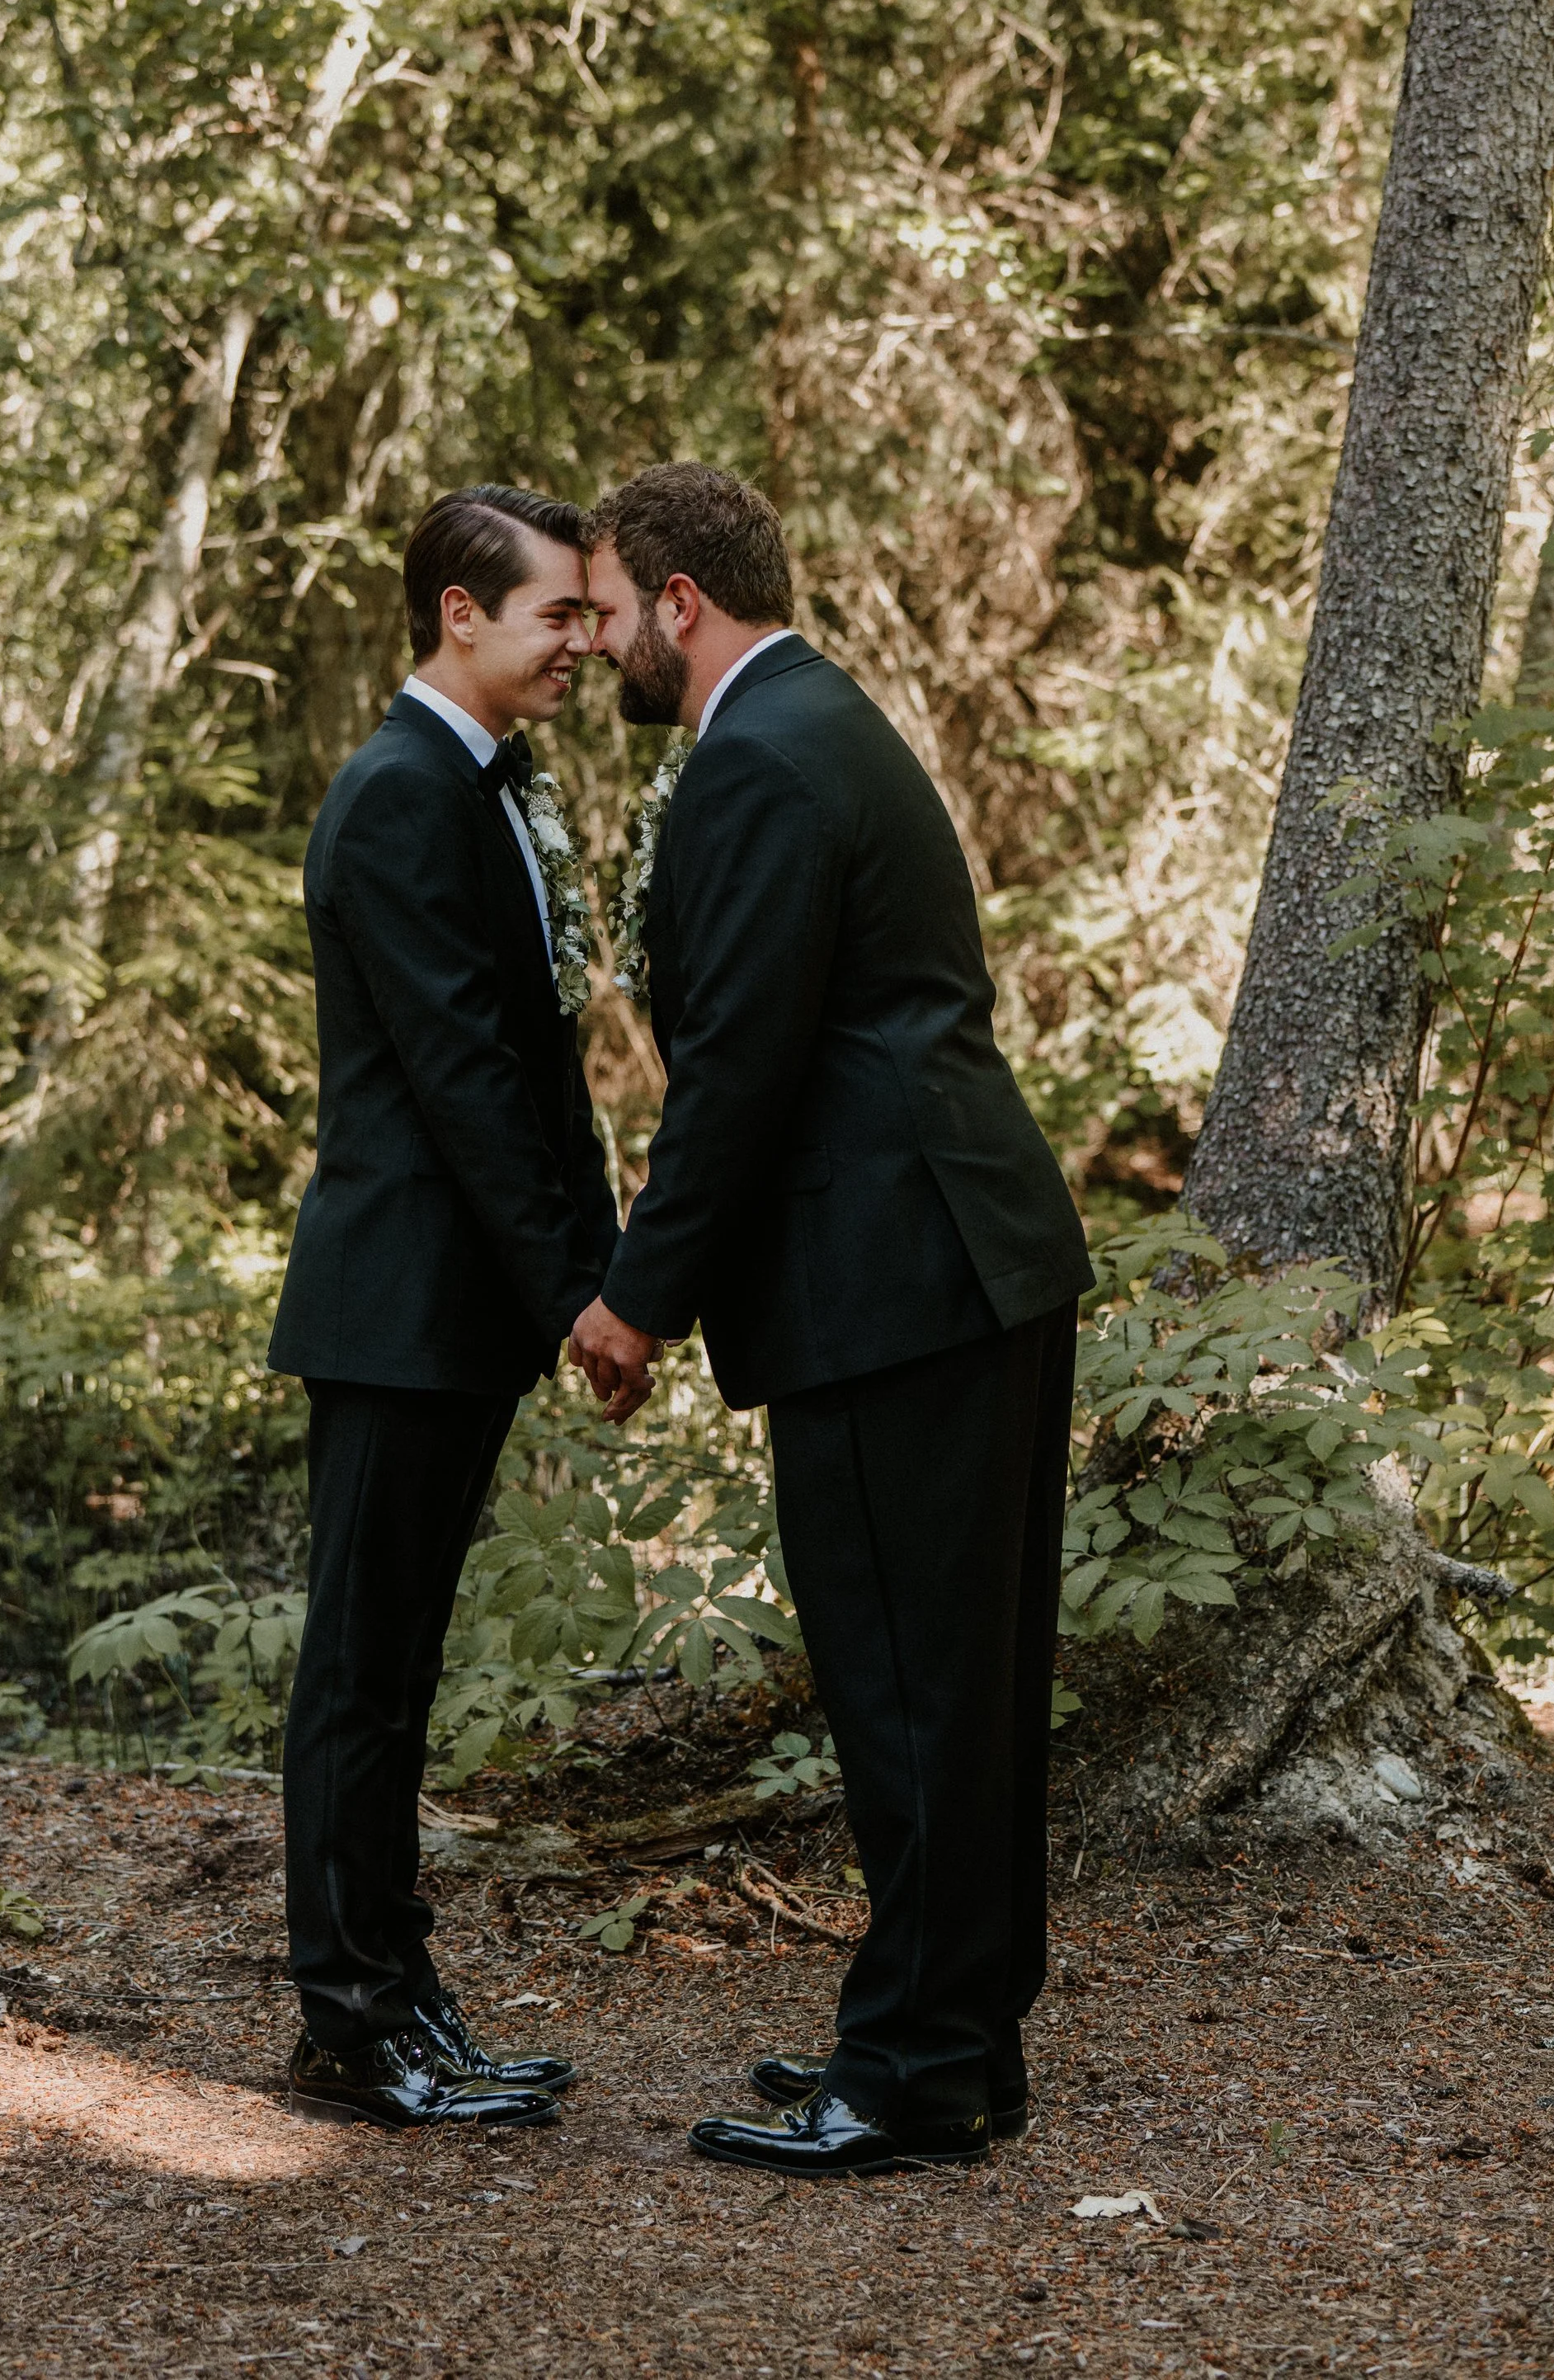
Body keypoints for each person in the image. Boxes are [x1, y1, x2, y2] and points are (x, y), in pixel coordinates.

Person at [572, 463, 1091, 2180]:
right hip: (967, 1248)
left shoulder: (751, 762)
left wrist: (638, 1298)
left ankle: (919, 2068)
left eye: (607, 602)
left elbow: (737, 1071)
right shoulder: (831, 722)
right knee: (966, 1675)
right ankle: (957, 2036)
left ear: (678, 601)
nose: (598, 641)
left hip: (892, 1276)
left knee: (907, 1684)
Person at [268, 485, 618, 2130]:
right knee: (359, 1671)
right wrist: (576, 1296)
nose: (583, 641)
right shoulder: (401, 795)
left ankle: (405, 1997)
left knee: (397, 1669)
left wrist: (604, 1262)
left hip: (457, 1307)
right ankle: (346, 2026)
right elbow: (464, 1082)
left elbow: (542, 1057)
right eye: (556, 612)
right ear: (457, 615)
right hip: (399, 1300)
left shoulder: (494, 787)